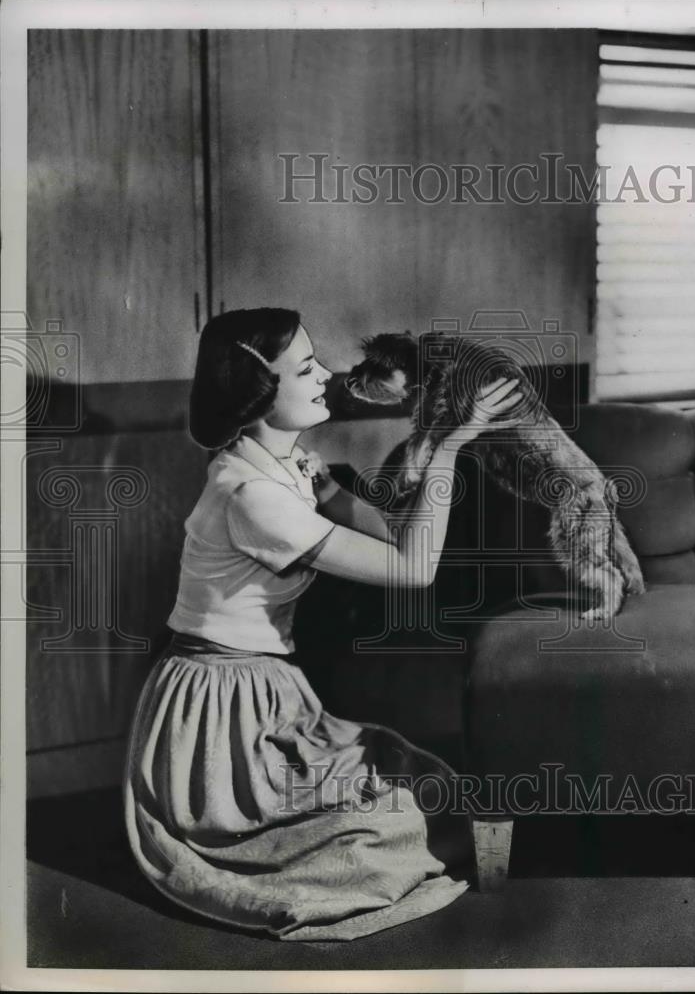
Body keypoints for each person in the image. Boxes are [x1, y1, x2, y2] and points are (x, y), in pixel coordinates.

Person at [123, 307, 522, 941]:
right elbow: (413, 568)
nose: (328, 374)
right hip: (217, 712)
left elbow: (394, 536)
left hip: (268, 692)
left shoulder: (285, 465)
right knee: (382, 823)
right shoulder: (253, 497)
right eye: (307, 367)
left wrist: (337, 488)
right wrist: (450, 444)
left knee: (418, 780)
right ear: (261, 392)